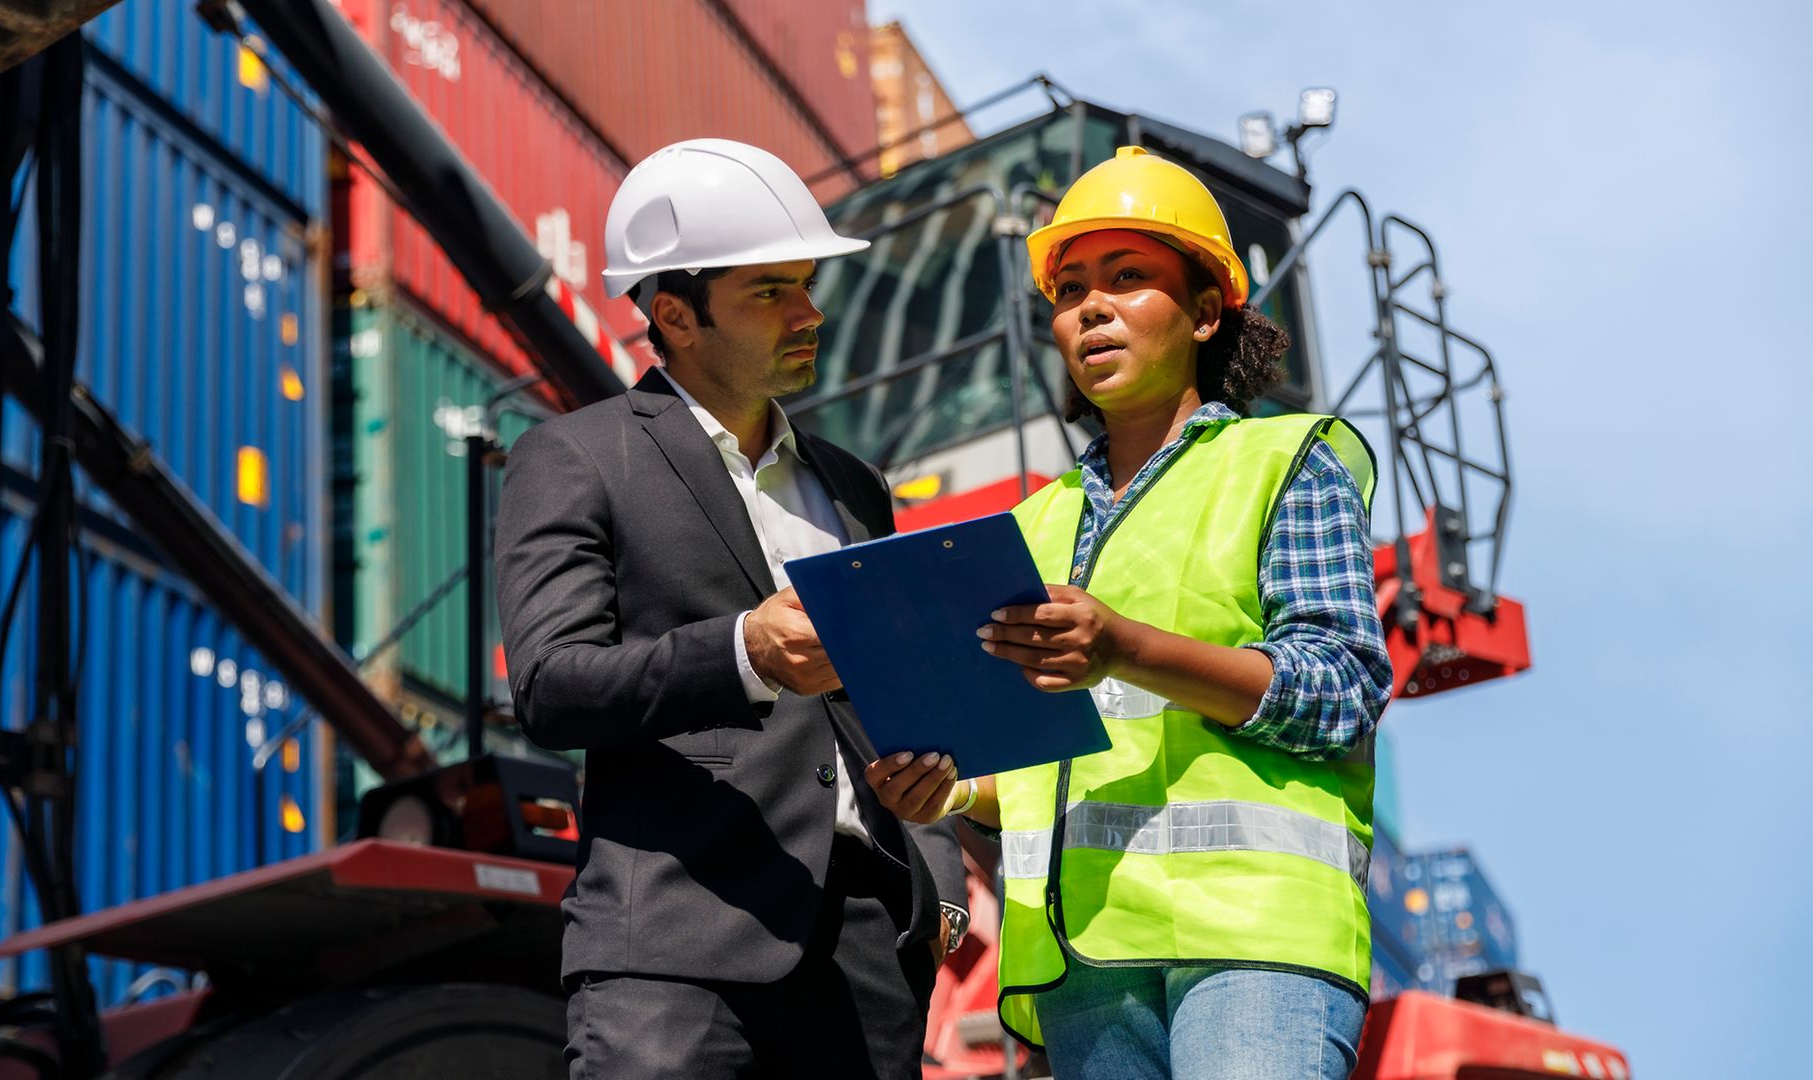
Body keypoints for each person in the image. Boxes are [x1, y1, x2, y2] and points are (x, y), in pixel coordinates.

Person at [864, 146, 1394, 1080]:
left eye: (1126, 278)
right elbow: (1043, 767)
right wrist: (954, 792)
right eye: (1070, 290)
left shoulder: (1283, 463)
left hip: (1254, 942)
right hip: (1086, 964)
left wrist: (1125, 646)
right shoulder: (1031, 527)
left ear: (1206, 311)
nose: (1091, 308)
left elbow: (1340, 693)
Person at [495, 138, 969, 1080]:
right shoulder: (575, 457)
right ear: (674, 314)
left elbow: (898, 700)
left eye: (807, 285)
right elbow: (549, 686)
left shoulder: (856, 486)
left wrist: (937, 865)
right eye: (771, 291)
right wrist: (746, 651)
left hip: (868, 953)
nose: (810, 313)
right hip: (676, 944)